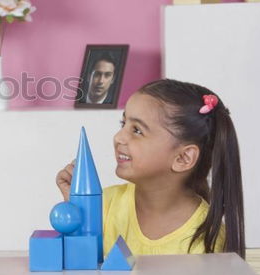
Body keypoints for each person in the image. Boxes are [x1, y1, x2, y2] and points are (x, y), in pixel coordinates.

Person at [57, 78, 245, 258]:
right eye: (123, 123)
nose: (119, 137)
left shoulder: (206, 238)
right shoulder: (104, 205)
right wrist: (81, 214)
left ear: (183, 158)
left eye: (137, 130)